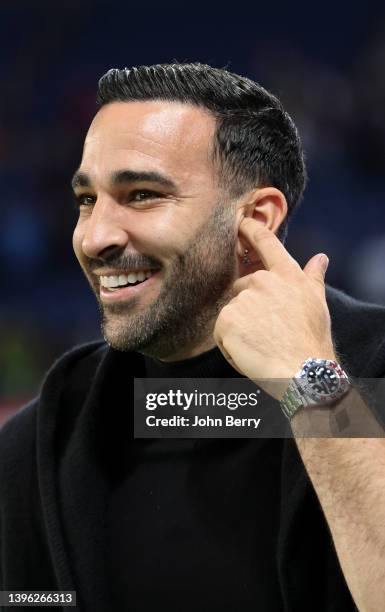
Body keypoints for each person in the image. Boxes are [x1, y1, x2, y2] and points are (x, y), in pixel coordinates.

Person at [1, 62, 385, 612]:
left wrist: (308, 381)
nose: (95, 236)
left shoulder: (375, 366)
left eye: (141, 195)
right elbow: (29, 601)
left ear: (255, 218)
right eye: (87, 200)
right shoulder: (43, 442)